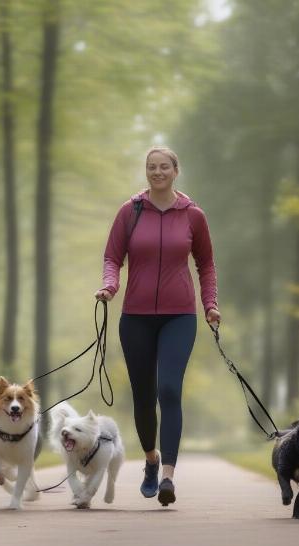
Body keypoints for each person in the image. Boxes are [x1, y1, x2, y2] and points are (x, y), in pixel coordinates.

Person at [94, 146, 220, 506]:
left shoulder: (193, 215)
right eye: (152, 167)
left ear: (176, 171)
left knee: (169, 390)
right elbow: (112, 257)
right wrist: (109, 286)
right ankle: (151, 459)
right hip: (135, 317)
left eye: (164, 166)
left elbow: (207, 265)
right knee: (145, 398)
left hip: (180, 316)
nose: (158, 172)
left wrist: (210, 304)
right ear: (146, 172)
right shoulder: (130, 212)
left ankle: (168, 477)